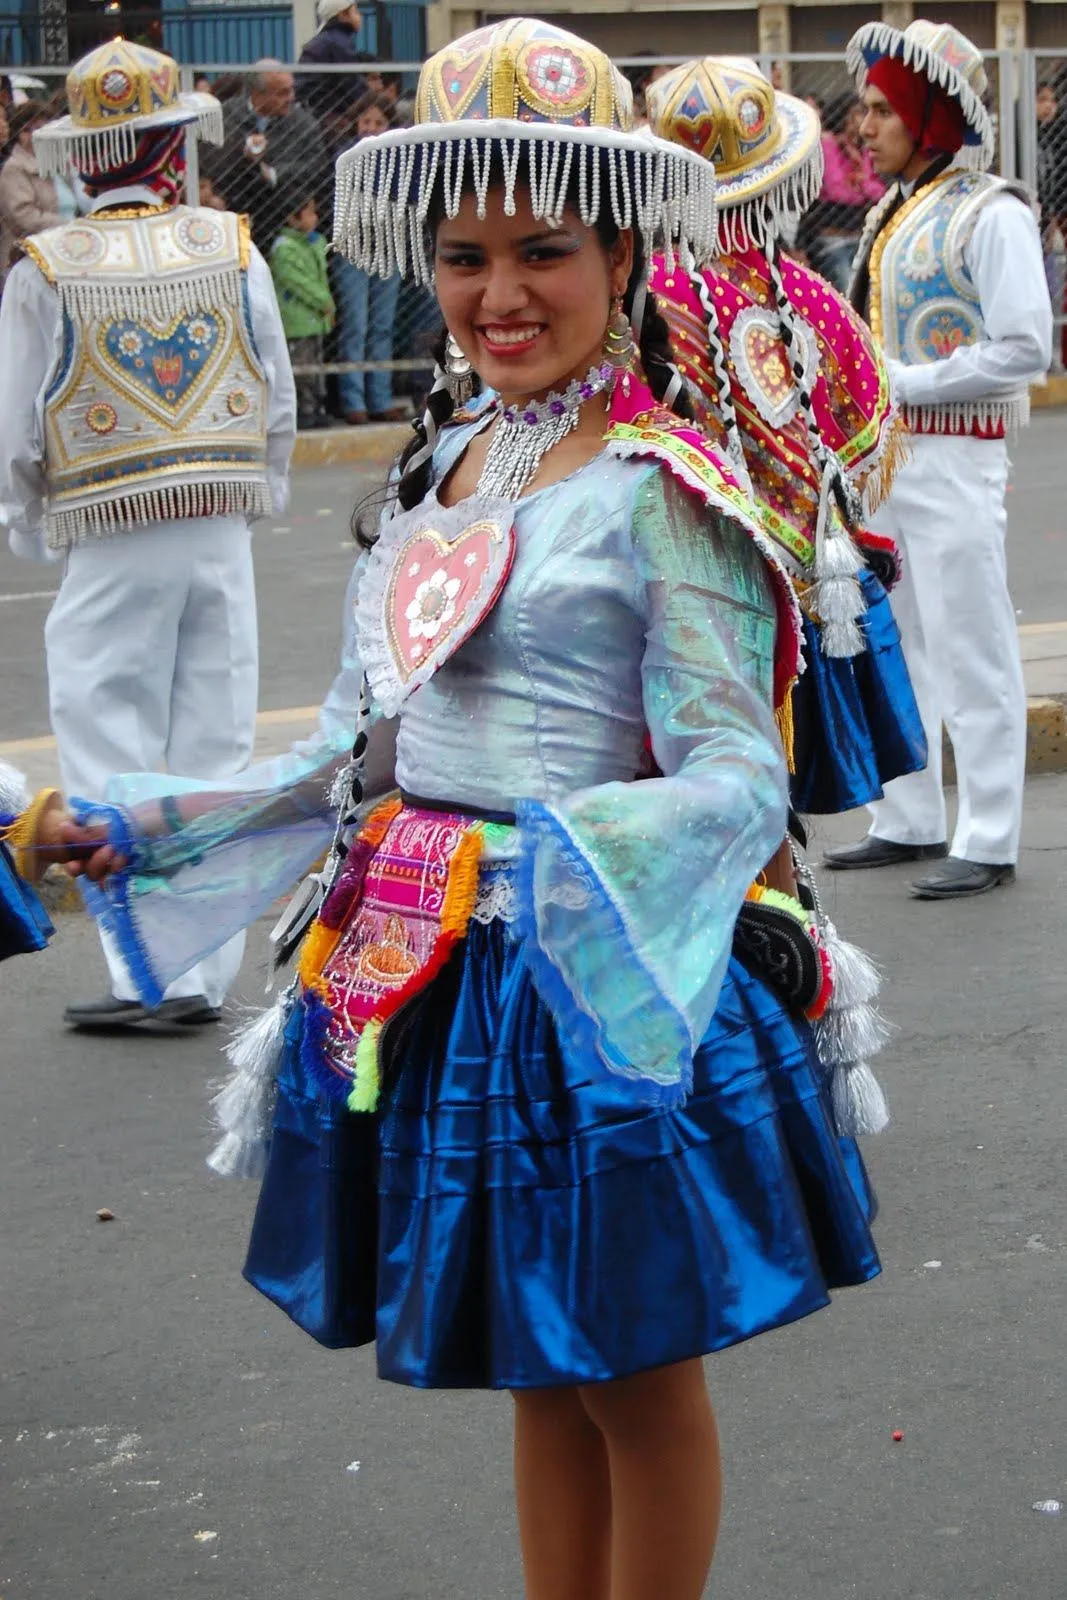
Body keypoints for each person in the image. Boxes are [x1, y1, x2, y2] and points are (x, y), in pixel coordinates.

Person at [55, 21, 883, 1595]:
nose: (498, 294)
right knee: (536, 1365)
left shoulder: (665, 489)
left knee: (636, 1379)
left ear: (623, 254)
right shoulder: (443, 471)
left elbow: (732, 780)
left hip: (599, 978)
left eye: (541, 251)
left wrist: (543, 868)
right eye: (460, 256)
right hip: (443, 979)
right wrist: (133, 823)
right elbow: (365, 762)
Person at [0, 38, 296, 1029]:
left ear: (85, 161)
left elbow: (17, 430)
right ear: (174, 150)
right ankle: (205, 972)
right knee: (212, 745)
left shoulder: (45, 268)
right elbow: (278, 398)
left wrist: (32, 524)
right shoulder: (233, 245)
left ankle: (143, 974)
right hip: (218, 523)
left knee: (106, 740)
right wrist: (261, 492)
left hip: (111, 529)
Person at [646, 56, 925, 816]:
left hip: (672, 579)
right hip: (800, 579)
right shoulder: (806, 292)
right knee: (763, 792)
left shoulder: (632, 296)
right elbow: (865, 419)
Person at [820, 20, 1053, 898]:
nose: (862, 124)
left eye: (881, 109)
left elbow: (1026, 346)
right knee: (896, 641)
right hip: (888, 461)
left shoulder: (992, 212)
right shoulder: (894, 210)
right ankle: (910, 817)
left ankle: (988, 835)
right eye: (864, 108)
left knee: (971, 643)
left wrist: (898, 383)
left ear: (929, 116)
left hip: (954, 457)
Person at [330, 91, 404, 424]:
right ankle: (353, 400)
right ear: (356, 125)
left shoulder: (399, 157)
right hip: (353, 248)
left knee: (382, 326)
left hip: (387, 246)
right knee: (355, 325)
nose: (371, 129)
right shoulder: (345, 157)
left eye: (379, 122)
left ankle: (380, 397)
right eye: (366, 122)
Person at [220, 60, 331, 253]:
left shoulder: (302, 122)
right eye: (282, 93)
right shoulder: (228, 115)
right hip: (235, 213)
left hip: (283, 218)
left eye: (291, 90)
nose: (291, 98)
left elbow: (318, 164)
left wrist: (274, 173)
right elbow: (212, 158)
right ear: (257, 94)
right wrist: (241, 151)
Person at [800, 94, 885, 291]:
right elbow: (835, 190)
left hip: (860, 236)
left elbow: (879, 191)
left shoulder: (862, 150)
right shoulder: (828, 145)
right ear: (844, 117)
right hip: (833, 239)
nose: (862, 120)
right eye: (857, 114)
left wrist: (860, 182)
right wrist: (862, 186)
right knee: (848, 289)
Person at [270, 186, 336, 430]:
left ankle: (315, 406)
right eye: (308, 213)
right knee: (301, 368)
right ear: (292, 218)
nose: (315, 218)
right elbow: (299, 283)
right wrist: (324, 302)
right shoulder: (284, 248)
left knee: (314, 366)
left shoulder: (316, 242)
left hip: (316, 317)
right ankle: (302, 411)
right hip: (297, 318)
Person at [0, 100, 63, 282]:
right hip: (29, 262)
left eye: (39, 129)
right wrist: (68, 224)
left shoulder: (61, 166)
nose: (34, 135)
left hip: (63, 254)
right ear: (17, 135)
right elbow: (23, 216)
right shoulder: (14, 169)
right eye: (26, 130)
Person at [297, 0, 368, 134]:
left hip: (314, 112)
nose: (360, 16)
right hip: (329, 117)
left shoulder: (324, 40)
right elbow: (352, 84)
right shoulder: (338, 43)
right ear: (343, 15)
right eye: (355, 11)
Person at [1037, 80, 1067, 371]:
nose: (1049, 106)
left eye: (1052, 100)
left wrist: (1053, 220)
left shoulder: (1053, 138)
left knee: (1051, 285)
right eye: (1042, 100)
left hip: (1046, 222)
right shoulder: (1024, 137)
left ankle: (1049, 354)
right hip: (1031, 220)